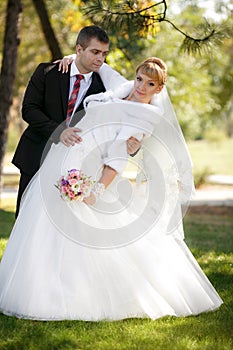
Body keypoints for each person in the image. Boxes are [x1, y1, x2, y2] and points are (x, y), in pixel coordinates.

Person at [0, 57, 222, 321]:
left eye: (150, 84)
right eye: (140, 79)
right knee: (42, 221)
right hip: (65, 155)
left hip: (91, 169)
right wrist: (73, 57)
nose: (141, 87)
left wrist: (98, 190)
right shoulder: (123, 87)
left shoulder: (146, 117)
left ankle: (76, 293)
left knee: (79, 231)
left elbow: (117, 158)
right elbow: (101, 66)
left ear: (158, 89)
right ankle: (39, 282)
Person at [12, 25, 140, 217]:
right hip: (36, 156)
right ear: (79, 49)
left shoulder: (105, 89)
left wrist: (133, 146)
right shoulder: (48, 72)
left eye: (104, 54)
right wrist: (58, 131)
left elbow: (119, 124)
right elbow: (29, 110)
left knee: (61, 224)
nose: (100, 59)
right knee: (27, 219)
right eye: (95, 52)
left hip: (74, 167)